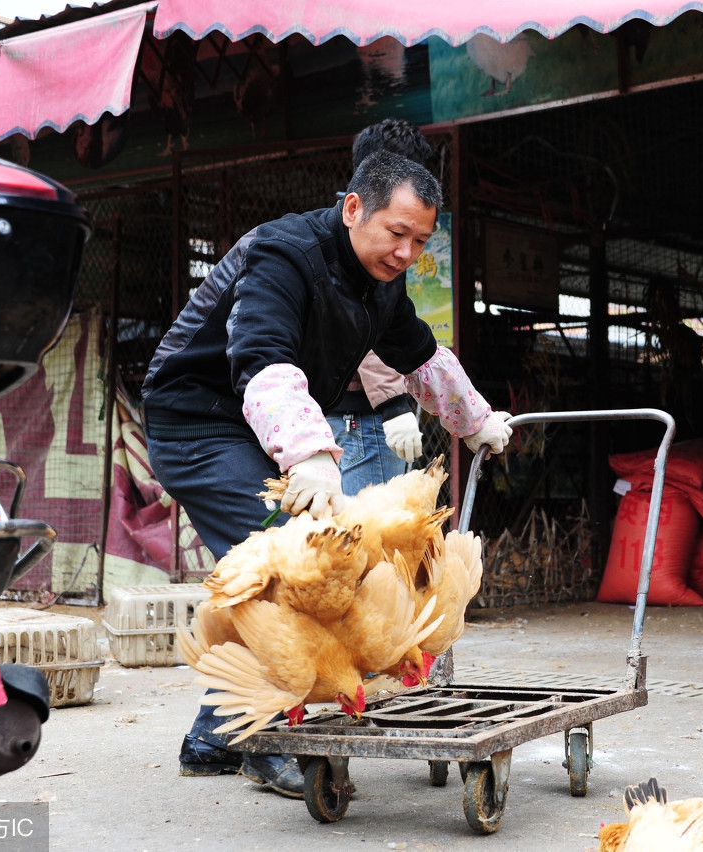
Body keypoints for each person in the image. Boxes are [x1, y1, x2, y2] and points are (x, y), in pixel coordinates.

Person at [142, 149, 512, 796]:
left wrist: (473, 420)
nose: (406, 253)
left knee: (280, 569)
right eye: (397, 233)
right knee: (297, 569)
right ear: (352, 209)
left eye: (420, 241)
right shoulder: (284, 255)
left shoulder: (381, 283)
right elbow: (261, 359)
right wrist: (311, 453)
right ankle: (264, 740)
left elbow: (421, 357)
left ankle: (213, 734)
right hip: (197, 420)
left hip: (250, 425)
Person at [327, 119, 435, 491]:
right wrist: (393, 407)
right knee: (370, 546)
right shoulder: (369, 242)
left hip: (330, 418)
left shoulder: (338, 228)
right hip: (363, 420)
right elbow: (364, 324)